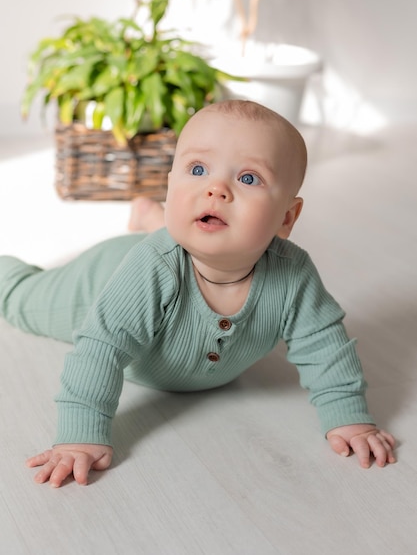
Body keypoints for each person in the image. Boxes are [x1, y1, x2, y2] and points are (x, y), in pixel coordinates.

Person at [0, 100, 395, 488]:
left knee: (189, 238)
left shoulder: (293, 274)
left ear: (286, 218)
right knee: (18, 298)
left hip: (163, 252)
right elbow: (101, 348)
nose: (215, 189)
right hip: (96, 284)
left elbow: (324, 345)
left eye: (248, 178)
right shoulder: (151, 269)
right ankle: (147, 225)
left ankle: (150, 220)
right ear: (171, 185)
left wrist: (349, 417)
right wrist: (79, 436)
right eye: (198, 169)